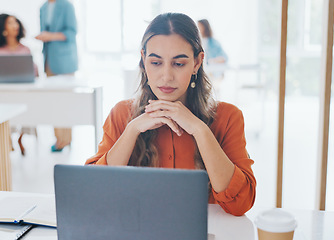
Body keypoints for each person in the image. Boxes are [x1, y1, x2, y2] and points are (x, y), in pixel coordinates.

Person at [86, 13, 256, 216]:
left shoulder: (228, 117)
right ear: (143, 60)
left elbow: (240, 204)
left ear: (197, 63)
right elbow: (94, 194)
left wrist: (200, 130)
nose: (166, 76)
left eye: (179, 63)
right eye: (156, 63)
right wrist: (132, 130)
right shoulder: (122, 114)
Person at [0, 13, 39, 156]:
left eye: (16, 22)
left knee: (30, 108)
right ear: (3, 28)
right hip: (4, 94)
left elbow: (34, 72)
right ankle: (7, 138)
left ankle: (21, 138)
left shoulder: (25, 49)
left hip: (25, 92)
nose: (15, 25)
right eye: (10, 23)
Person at [35, 0, 78, 152]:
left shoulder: (67, 6)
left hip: (65, 61)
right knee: (54, 101)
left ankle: (66, 139)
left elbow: (71, 33)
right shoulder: (43, 8)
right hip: (49, 60)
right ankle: (59, 138)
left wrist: (50, 36)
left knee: (65, 100)